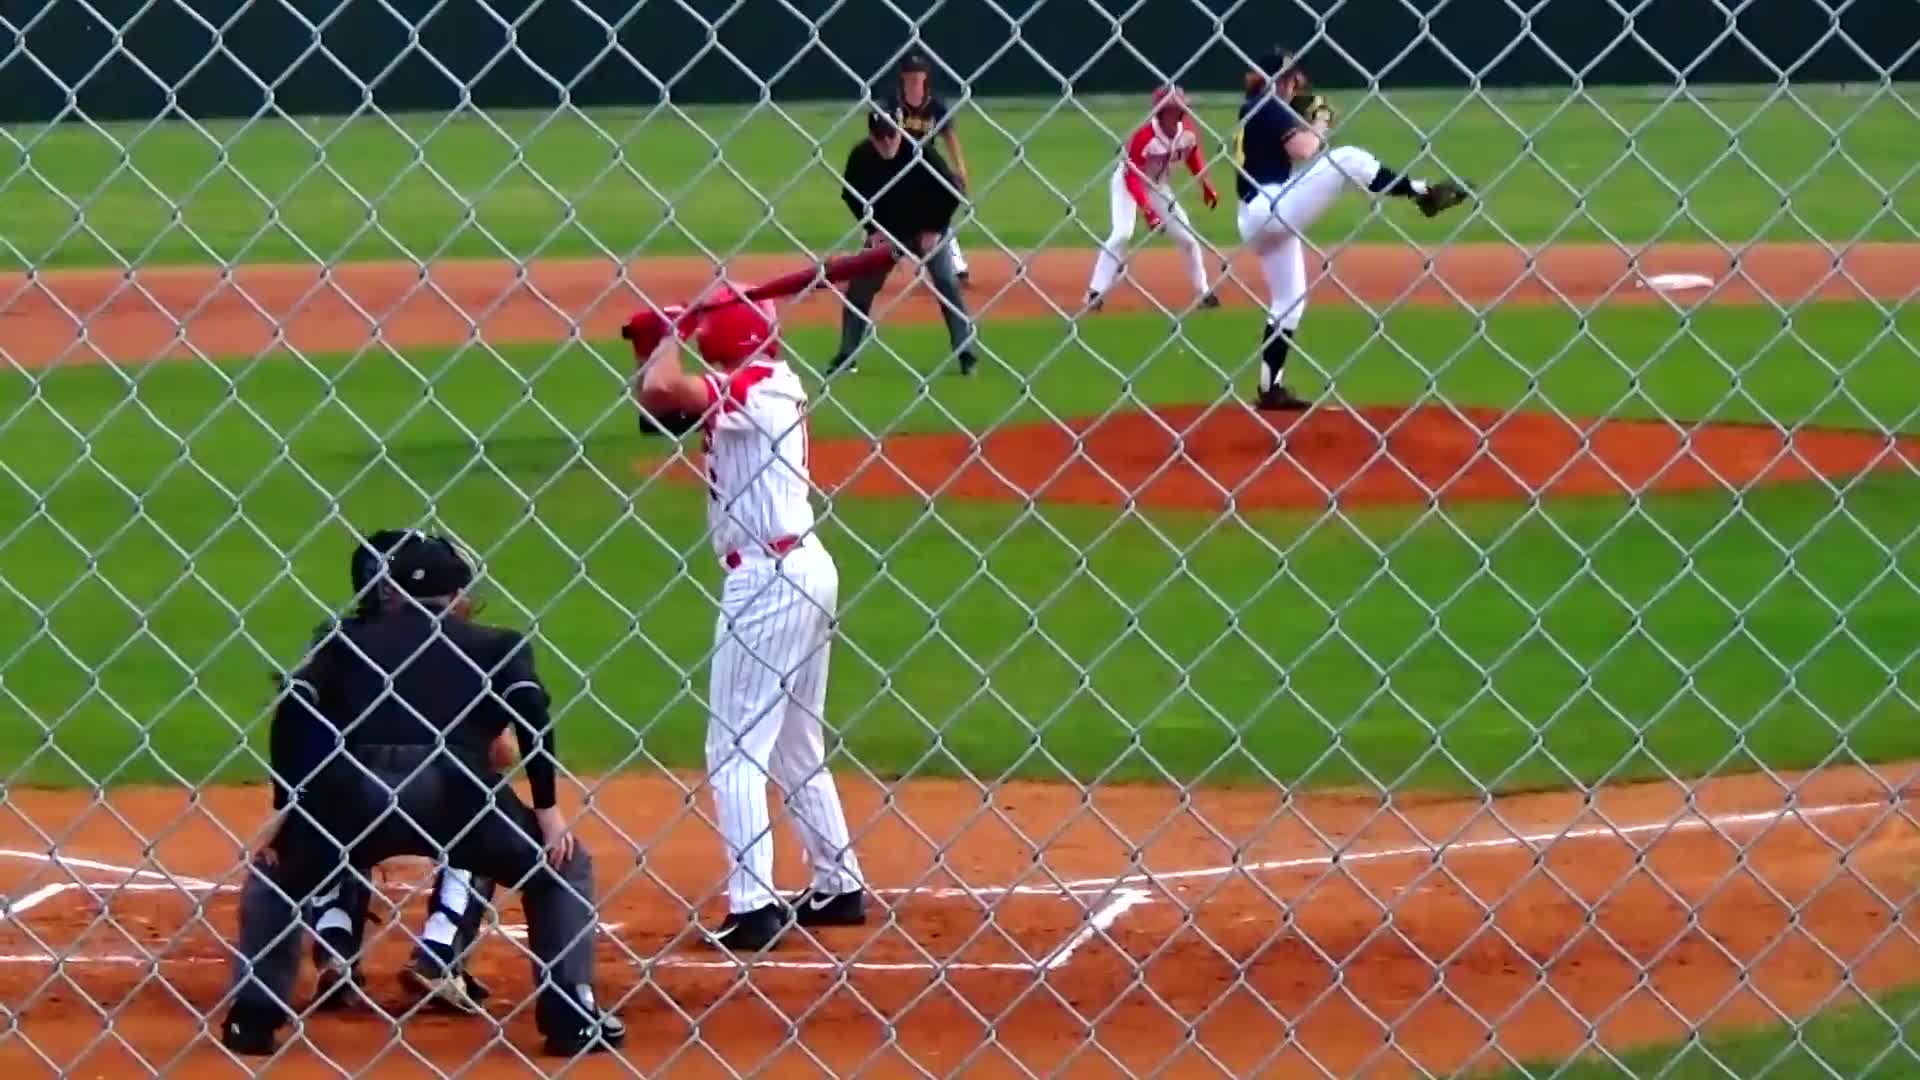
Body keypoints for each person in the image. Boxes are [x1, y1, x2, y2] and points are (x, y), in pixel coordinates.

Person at [221, 531, 624, 1058]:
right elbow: (531, 712)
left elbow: (295, 707)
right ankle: (572, 1015)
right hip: (454, 791)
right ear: (454, 596)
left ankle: (252, 1017)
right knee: (561, 868)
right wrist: (547, 811)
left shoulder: (341, 643)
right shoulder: (493, 643)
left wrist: (288, 805)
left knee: (276, 876)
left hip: (352, 792)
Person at [626, 284, 869, 953]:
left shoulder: (757, 388)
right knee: (793, 740)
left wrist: (671, 331)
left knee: (733, 748)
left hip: (769, 578)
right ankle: (838, 883)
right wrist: (655, 342)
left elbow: (670, 389)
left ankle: (754, 905)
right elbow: (656, 405)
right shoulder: (760, 378)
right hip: (799, 569)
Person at [294, 530, 503, 1017]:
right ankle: (439, 952)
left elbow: (298, 740)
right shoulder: (470, 647)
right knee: (487, 819)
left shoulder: (332, 645)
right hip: (444, 800)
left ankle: (335, 944)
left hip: (348, 803)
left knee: (324, 816)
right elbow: (502, 752)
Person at [1233, 46, 1471, 410]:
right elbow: (1306, 149)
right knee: (1349, 159)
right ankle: (1422, 192)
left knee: (1289, 301)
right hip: (1269, 208)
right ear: (1280, 79)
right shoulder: (1266, 105)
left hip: (1261, 216)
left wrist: (1308, 118)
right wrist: (1322, 121)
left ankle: (1271, 389)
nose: (1297, 83)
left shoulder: (1257, 106)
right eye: (1292, 77)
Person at [825, 107, 975, 377]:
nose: (886, 142)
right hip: (886, 231)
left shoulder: (921, 152)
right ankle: (847, 355)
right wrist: (872, 228)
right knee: (860, 287)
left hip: (925, 229)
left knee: (946, 281)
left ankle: (966, 353)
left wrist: (934, 229)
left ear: (900, 131)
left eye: (891, 135)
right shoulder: (861, 157)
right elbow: (850, 194)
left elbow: (952, 190)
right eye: (879, 137)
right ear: (871, 136)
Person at [1084, 85, 1221, 314]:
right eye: (1173, 108)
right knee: (1122, 233)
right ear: (1161, 111)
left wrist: (1205, 183)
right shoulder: (1144, 136)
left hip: (1158, 186)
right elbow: (1132, 177)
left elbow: (1192, 155)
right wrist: (1147, 210)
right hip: (1128, 183)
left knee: (1188, 239)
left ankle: (1204, 292)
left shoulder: (1186, 130)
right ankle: (1095, 292)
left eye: (1180, 107)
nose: (1180, 111)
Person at [885, 52, 971, 285]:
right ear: (903, 77)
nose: (915, 78)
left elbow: (950, 136)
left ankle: (956, 265)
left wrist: (959, 168)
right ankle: (868, 264)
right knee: (883, 216)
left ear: (926, 76)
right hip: (897, 165)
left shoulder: (935, 104)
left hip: (927, 164)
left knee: (938, 215)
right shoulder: (893, 104)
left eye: (919, 74)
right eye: (911, 74)